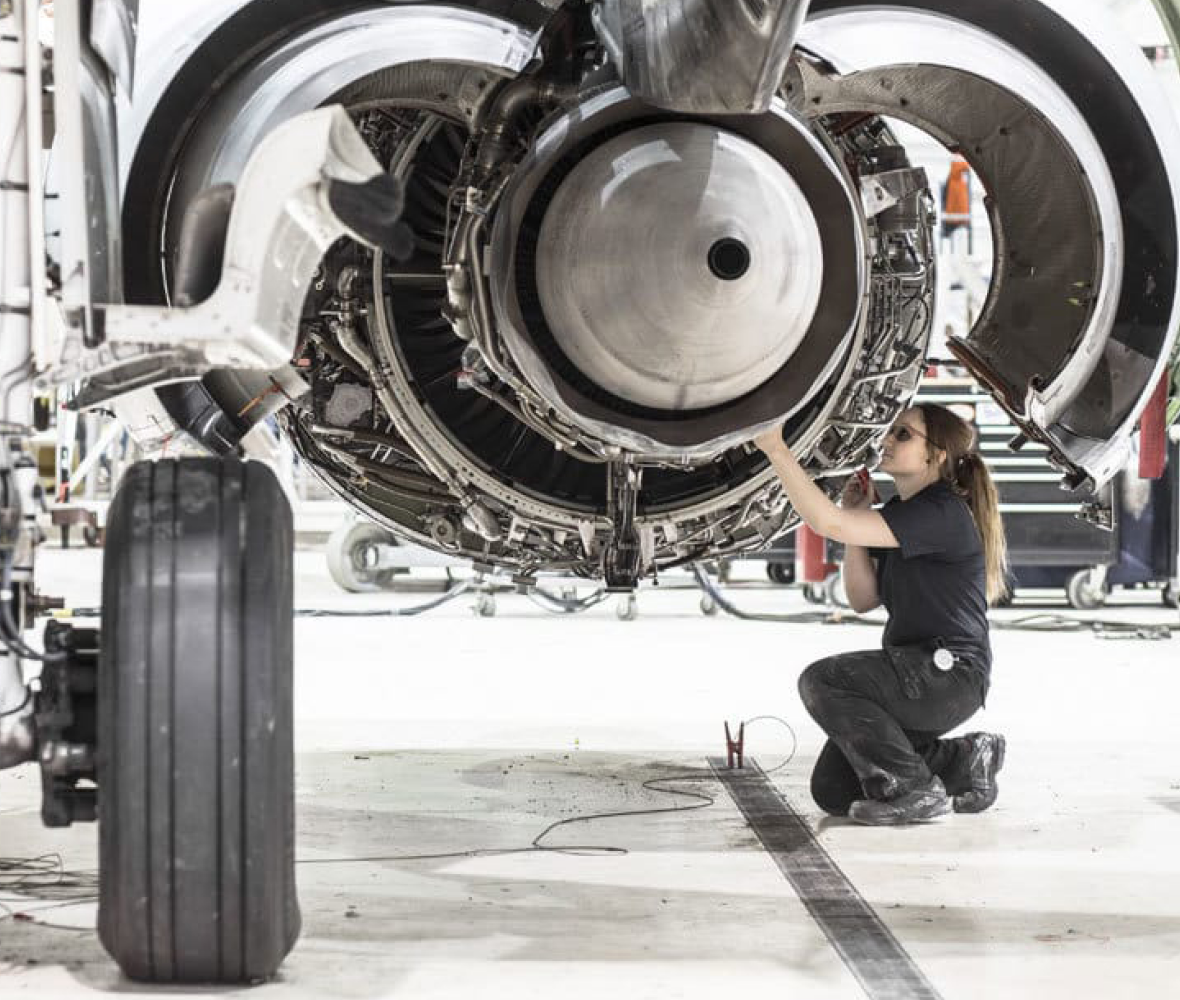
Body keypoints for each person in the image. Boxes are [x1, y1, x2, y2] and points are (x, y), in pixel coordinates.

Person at [753, 404, 1008, 825]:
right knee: (834, 789)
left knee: (823, 679)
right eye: (890, 432)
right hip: (918, 677)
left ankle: (916, 791)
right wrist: (856, 517)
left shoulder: (940, 511)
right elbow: (862, 597)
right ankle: (964, 760)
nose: (887, 440)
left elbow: (826, 523)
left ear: (937, 455)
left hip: (948, 676)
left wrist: (776, 449)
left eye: (903, 435)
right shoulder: (906, 513)